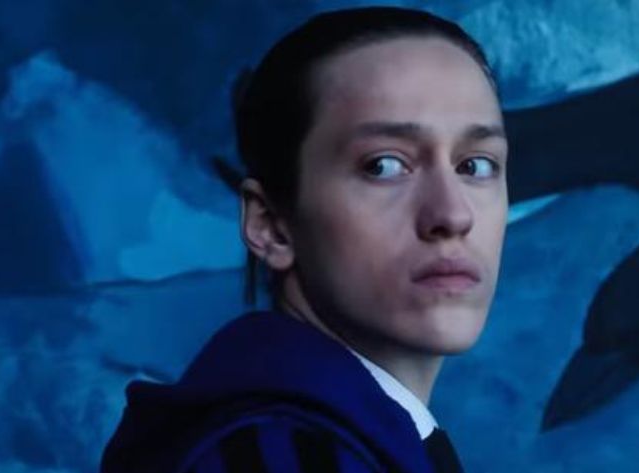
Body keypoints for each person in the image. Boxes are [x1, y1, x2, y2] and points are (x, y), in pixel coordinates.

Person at [101, 6, 507, 473]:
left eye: (475, 165)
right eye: (383, 166)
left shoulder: (330, 441)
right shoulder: (282, 456)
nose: (452, 215)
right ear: (270, 225)